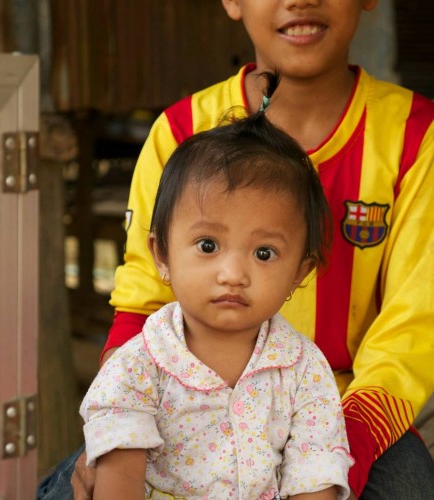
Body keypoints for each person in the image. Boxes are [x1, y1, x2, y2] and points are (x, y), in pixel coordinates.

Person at [38, 0, 434, 498]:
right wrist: (113, 436)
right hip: (179, 402)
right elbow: (139, 307)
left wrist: (329, 458)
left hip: (342, 408)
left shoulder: (417, 133)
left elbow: (409, 328)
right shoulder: (179, 130)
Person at [80, 99, 354, 499]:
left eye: (264, 253)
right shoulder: (137, 365)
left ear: (299, 272)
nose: (233, 275)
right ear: (162, 255)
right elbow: (118, 482)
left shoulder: (305, 371)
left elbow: (315, 475)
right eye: (207, 245)